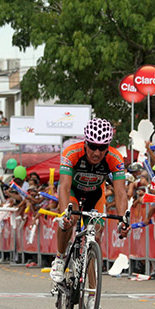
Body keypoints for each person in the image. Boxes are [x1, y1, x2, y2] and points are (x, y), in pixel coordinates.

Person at [50, 118, 131, 287]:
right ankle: (59, 258)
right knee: (69, 220)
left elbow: (120, 192)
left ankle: (92, 294)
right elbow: (64, 187)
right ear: (85, 143)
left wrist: (123, 220)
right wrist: (65, 213)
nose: (96, 152)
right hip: (73, 192)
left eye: (102, 148)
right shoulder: (71, 153)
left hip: (95, 195)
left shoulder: (115, 158)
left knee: (96, 234)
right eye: (93, 146)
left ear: (108, 146)